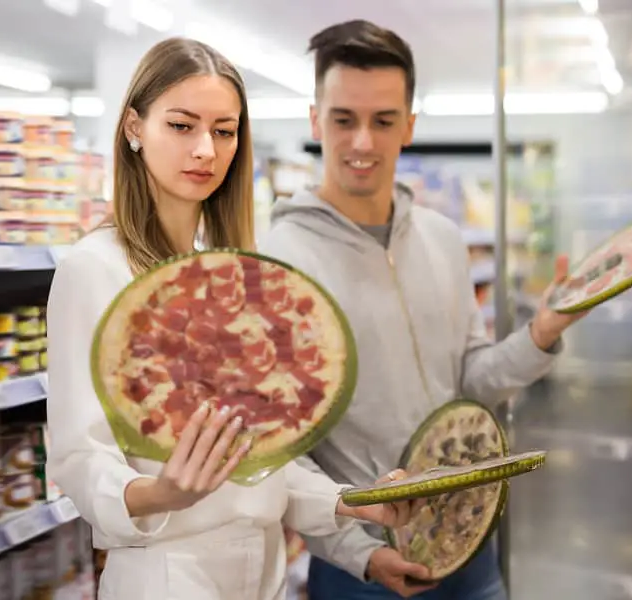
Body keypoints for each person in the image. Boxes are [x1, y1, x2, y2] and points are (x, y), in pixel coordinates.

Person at [46, 37, 419, 600]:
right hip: (168, 573)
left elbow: (257, 461)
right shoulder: (94, 268)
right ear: (132, 128)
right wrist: (162, 492)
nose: (205, 149)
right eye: (181, 126)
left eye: (224, 131)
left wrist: (354, 502)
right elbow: (79, 457)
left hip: (262, 567)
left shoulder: (226, 274)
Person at [257, 20, 588, 600]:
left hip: (471, 547)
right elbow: (280, 447)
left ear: (408, 125)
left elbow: (470, 381)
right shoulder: (277, 260)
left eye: (383, 120)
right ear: (315, 121)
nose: (363, 141)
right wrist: (361, 553)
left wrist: (542, 331)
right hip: (364, 566)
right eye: (343, 119)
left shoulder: (442, 237)